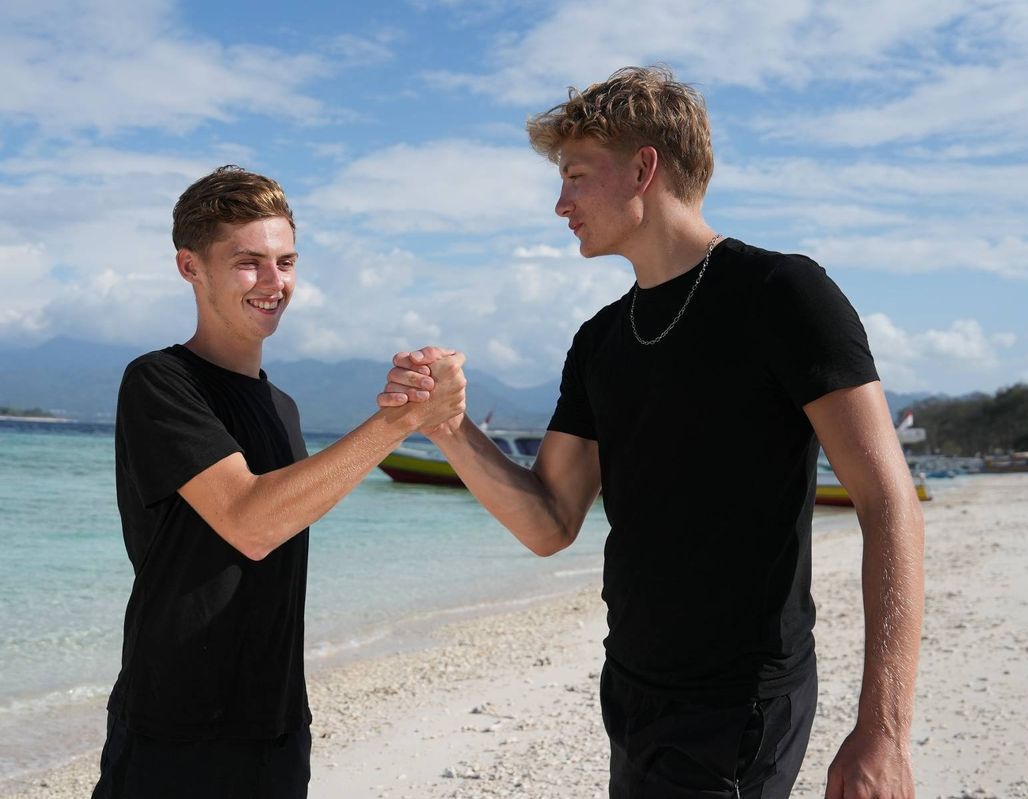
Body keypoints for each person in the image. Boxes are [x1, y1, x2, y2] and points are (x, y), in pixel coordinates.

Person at [380, 67, 924, 798]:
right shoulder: (600, 340)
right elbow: (550, 521)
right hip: (631, 690)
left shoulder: (782, 295)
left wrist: (884, 729)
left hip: (739, 705)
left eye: (576, 176)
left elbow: (888, 503)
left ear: (644, 169)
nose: (560, 203)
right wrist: (449, 428)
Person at [92, 165, 466, 799]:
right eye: (249, 263)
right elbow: (250, 522)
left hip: (278, 723)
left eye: (286, 262)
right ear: (190, 267)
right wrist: (401, 421)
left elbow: (287, 516)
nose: (274, 282)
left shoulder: (282, 407)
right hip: (175, 725)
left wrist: (422, 406)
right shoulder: (160, 382)